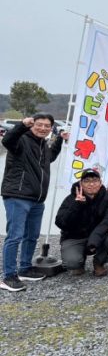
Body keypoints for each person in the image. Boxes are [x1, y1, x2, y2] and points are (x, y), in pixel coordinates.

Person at [1, 113, 67, 292]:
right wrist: (21, 125)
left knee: (32, 236)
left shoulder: (43, 145)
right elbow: (7, 140)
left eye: (47, 126)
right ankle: (8, 276)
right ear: (32, 125)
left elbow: (50, 157)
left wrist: (60, 140)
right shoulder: (21, 140)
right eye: (39, 124)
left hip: (37, 200)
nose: (43, 128)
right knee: (15, 236)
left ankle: (24, 269)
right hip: (18, 196)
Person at [55, 168, 108, 277]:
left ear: (100, 183)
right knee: (71, 263)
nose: (91, 184)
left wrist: (94, 240)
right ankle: (79, 263)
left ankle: (98, 263)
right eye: (87, 181)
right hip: (74, 237)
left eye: (95, 180)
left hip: (95, 237)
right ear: (81, 183)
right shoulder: (71, 198)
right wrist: (76, 205)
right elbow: (60, 222)